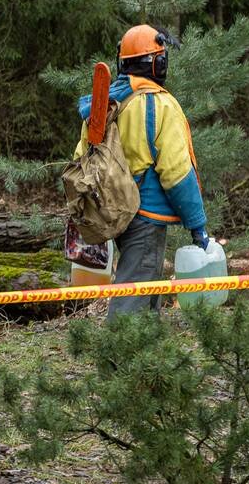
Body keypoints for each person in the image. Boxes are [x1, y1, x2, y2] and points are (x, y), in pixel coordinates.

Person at [73, 24, 209, 319]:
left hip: (112, 213)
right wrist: (197, 224)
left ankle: (147, 360)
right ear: (158, 64)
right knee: (133, 297)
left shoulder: (102, 104)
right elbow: (177, 173)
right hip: (145, 215)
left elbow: (80, 159)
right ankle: (117, 360)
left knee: (146, 290)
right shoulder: (160, 105)